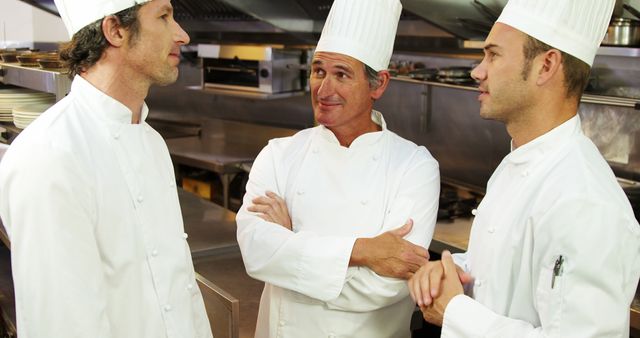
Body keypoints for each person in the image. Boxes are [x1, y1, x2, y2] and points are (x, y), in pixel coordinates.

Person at [408, 0, 640, 336]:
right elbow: (501, 278)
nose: (477, 70)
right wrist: (449, 272)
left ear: (546, 66)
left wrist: (455, 311)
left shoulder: (585, 201)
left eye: (493, 54)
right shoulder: (515, 163)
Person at [0, 0, 213, 337]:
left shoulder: (152, 142)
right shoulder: (49, 156)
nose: (182, 35)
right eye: (163, 16)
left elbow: (180, 288)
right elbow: (63, 325)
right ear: (115, 30)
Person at [235, 0, 440, 337]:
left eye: (341, 74)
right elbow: (257, 253)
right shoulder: (279, 154)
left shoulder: (415, 167)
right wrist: (364, 251)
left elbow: (387, 286)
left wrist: (289, 248)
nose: (323, 89)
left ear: (378, 85)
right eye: (318, 71)